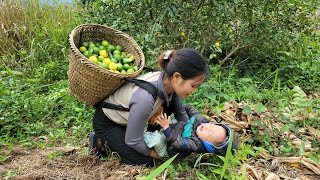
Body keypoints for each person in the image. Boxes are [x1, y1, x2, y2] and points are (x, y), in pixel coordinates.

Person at [89, 48, 209, 166]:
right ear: (177, 77)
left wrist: (194, 137)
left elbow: (182, 116)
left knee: (169, 105)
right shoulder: (145, 98)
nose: (194, 91)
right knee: (147, 161)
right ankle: (101, 140)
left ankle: (144, 136)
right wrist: (158, 155)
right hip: (108, 123)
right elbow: (133, 140)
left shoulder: (169, 83)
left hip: (128, 120)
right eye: (193, 86)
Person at [144, 105, 238, 159]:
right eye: (211, 126)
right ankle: (156, 125)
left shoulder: (195, 145)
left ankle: (141, 135)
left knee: (156, 139)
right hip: (176, 128)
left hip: (168, 146)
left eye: (209, 133)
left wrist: (166, 127)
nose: (207, 128)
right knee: (171, 119)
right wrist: (181, 107)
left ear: (208, 144)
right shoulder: (202, 122)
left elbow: (177, 143)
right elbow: (192, 112)